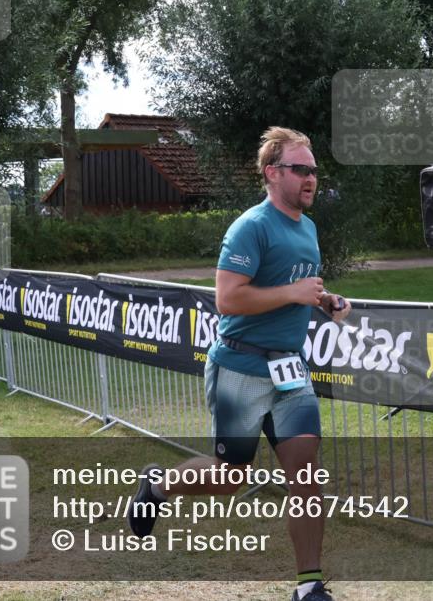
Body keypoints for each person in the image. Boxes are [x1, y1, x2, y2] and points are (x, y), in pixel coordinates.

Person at [127, 127, 351, 601]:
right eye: (300, 169)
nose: (310, 178)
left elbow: (294, 286)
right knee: (231, 477)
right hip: (241, 370)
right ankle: (159, 484)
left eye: (313, 169)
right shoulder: (251, 226)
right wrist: (294, 292)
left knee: (306, 474)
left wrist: (324, 300)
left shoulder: (307, 228)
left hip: (290, 371)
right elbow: (228, 299)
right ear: (273, 173)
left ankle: (308, 586)